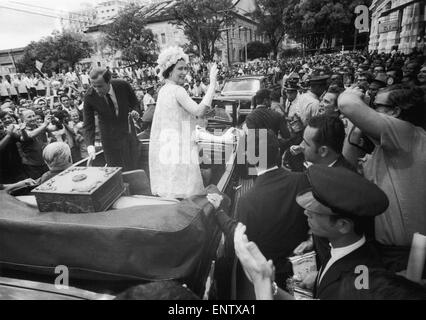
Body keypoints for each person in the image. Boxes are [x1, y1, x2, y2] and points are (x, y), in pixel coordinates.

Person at [233, 165, 389, 300]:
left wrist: (261, 285)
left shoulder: (357, 284)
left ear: (342, 225)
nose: (306, 213)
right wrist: (271, 287)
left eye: (316, 211)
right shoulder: (340, 248)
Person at [338, 85, 426, 272]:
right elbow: (347, 170)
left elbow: (347, 104)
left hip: (410, 254)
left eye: (376, 105)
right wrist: (357, 128)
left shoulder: (406, 133)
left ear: (395, 111)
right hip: (392, 250)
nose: (371, 110)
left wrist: (353, 94)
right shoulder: (389, 147)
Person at [149, 46, 218, 199]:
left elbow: (180, 114)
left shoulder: (163, 90)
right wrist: (212, 83)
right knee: (187, 193)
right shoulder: (178, 90)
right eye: (180, 68)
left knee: (173, 191)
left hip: (168, 148)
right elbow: (198, 111)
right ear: (169, 69)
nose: (184, 72)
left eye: (185, 68)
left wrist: (203, 113)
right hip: (181, 149)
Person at [83, 68, 141, 171]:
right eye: (94, 86)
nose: (96, 90)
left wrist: (135, 111)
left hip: (128, 134)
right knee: (115, 170)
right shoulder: (89, 96)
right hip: (109, 140)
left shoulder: (123, 85)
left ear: (109, 81)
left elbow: (135, 103)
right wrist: (90, 145)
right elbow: (88, 124)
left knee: (134, 167)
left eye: (100, 86)